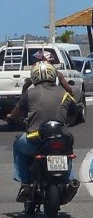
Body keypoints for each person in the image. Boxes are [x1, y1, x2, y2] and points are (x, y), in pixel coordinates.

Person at [10, 61, 77, 202]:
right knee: (67, 151)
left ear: (34, 77)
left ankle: (26, 184)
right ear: (53, 75)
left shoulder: (30, 93)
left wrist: (10, 117)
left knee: (18, 145)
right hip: (61, 138)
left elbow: (16, 114)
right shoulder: (65, 94)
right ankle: (70, 179)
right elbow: (73, 113)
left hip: (36, 140)